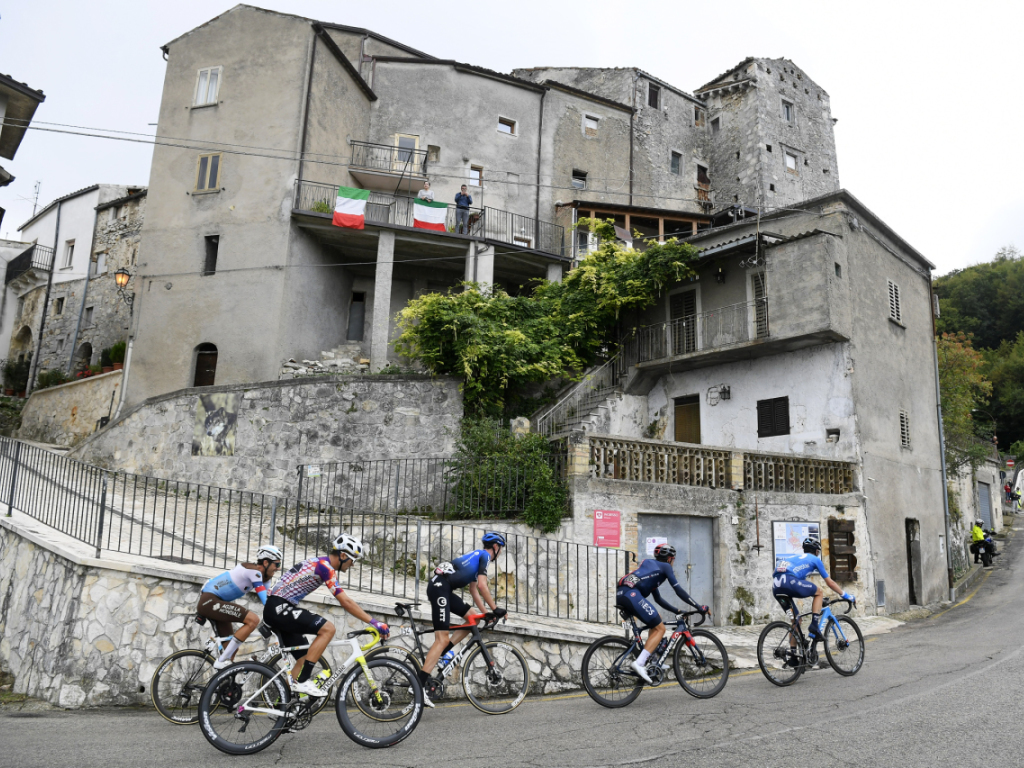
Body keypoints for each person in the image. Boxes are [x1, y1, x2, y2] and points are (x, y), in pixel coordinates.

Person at [264, 533, 389, 697]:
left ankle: (285, 706)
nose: (352, 565)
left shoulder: (319, 562)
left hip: (277, 607)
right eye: (353, 560)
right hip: (279, 608)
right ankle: (303, 681)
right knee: (328, 629)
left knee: (302, 660)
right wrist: (374, 622)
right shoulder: (326, 567)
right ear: (343, 555)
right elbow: (345, 602)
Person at [419, 532, 508, 707]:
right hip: (440, 588)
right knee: (441, 638)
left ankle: (443, 653)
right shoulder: (484, 556)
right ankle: (418, 686)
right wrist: (496, 609)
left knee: (472, 618)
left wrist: (486, 614)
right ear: (496, 547)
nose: (501, 553)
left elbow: (474, 590)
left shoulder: (477, 558)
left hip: (443, 588)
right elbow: (482, 586)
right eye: (501, 549)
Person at [615, 544, 708, 685]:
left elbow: (658, 599)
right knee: (661, 628)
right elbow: (678, 590)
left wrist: (677, 611)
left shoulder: (651, 567)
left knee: (656, 620)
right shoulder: (666, 567)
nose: (673, 562)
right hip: (631, 594)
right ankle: (639, 663)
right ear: (670, 559)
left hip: (623, 593)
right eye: (673, 559)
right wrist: (698, 606)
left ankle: (650, 659)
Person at [197, 544, 283, 670]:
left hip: (217, 602)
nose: (278, 569)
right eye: (277, 564)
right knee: (253, 620)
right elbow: (265, 601)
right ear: (266, 562)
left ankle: (221, 685)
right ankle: (220, 661)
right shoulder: (254, 572)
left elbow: (271, 601)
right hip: (209, 601)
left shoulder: (265, 578)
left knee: (231, 651)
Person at [772, 537, 853, 652]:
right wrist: (846, 595)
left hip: (776, 587)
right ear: (816, 551)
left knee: (796, 621)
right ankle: (814, 625)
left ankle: (794, 656)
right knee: (819, 592)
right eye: (818, 552)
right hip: (790, 581)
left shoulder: (794, 558)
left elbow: (799, 583)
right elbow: (829, 582)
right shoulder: (815, 559)